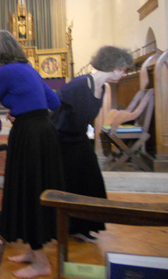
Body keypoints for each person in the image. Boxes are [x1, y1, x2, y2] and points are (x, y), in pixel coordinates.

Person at [0, 31, 64, 279]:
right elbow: (53, 101)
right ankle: (32, 250)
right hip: (44, 132)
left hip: (27, 135)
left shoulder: (4, 72)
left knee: (27, 192)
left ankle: (41, 263)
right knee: (37, 189)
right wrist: (19, 104)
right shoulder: (27, 68)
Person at [52, 46, 133, 242]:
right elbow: (53, 110)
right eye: (123, 69)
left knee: (91, 184)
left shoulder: (103, 88)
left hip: (79, 141)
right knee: (68, 186)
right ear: (113, 66)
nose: (124, 73)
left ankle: (83, 226)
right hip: (61, 143)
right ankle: (63, 228)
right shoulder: (79, 85)